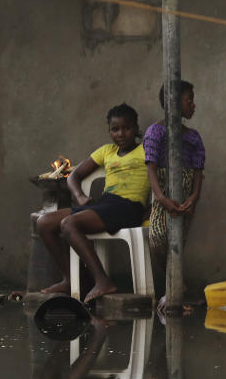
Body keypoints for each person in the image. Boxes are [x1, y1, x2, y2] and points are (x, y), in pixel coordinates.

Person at [38, 103, 150, 303]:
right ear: (109, 131)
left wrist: (151, 208)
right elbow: (74, 176)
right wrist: (80, 196)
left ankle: (102, 280)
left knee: (69, 223)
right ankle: (70, 279)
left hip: (128, 207)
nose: (121, 134)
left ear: (135, 128)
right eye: (115, 129)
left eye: (127, 128)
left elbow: (160, 177)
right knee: (44, 222)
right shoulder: (107, 151)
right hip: (106, 204)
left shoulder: (146, 150)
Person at [143, 80, 205, 311]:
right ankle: (176, 283)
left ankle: (173, 291)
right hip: (162, 195)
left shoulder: (193, 137)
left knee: (177, 243)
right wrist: (160, 198)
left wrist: (195, 196)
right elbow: (150, 168)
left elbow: (199, 171)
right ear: (174, 103)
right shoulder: (155, 132)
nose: (193, 105)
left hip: (185, 197)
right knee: (158, 240)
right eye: (189, 100)